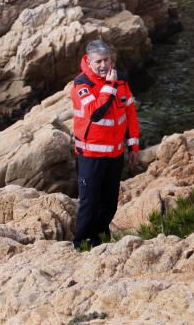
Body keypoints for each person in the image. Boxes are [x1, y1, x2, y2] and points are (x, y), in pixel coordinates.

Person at [70, 40, 140, 248]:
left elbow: (130, 115)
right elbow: (96, 114)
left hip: (115, 154)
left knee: (109, 202)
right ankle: (80, 242)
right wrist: (109, 86)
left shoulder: (121, 83)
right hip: (90, 155)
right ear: (89, 62)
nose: (103, 65)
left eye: (107, 60)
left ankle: (100, 239)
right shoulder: (82, 85)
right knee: (89, 202)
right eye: (99, 61)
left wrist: (133, 146)